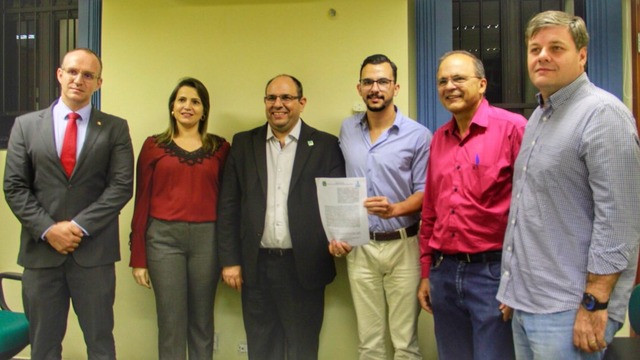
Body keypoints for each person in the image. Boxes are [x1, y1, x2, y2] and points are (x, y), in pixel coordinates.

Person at [496, 10, 640, 359]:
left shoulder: (602, 114)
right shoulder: (538, 118)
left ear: (582, 55)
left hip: (570, 309)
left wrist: (595, 304)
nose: (542, 56)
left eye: (556, 47)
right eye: (534, 49)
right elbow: (529, 215)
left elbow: (618, 221)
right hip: (527, 302)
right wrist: (511, 289)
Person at [3, 48, 134, 359]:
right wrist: (49, 229)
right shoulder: (25, 126)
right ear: (59, 74)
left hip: (94, 256)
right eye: (73, 72)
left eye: (88, 75)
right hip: (41, 255)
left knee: (100, 344)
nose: (79, 79)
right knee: (44, 347)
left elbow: (121, 187)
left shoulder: (115, 128)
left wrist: (77, 227)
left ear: (99, 83)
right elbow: (15, 187)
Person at [216, 74, 345, 360]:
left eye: (286, 98)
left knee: (303, 349)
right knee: (261, 349)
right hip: (255, 268)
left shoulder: (324, 145)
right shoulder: (243, 143)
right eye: (271, 98)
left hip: (304, 268)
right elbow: (228, 206)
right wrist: (230, 260)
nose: (278, 104)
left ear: (302, 103)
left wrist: (343, 237)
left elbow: (337, 202)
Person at [416, 50, 526, 360]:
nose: (449, 86)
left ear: (482, 84)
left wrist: (516, 280)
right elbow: (431, 211)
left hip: (492, 273)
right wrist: (426, 272)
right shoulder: (439, 138)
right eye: (442, 81)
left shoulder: (513, 129)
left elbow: (530, 210)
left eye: (458, 78)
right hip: (444, 272)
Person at [329, 54, 431, 360]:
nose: (376, 88)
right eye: (369, 82)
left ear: (395, 88)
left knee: (405, 344)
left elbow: (426, 192)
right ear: (359, 88)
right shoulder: (347, 129)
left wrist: (396, 209)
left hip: (404, 246)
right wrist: (337, 233)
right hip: (360, 248)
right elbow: (341, 188)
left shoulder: (418, 135)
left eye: (383, 81)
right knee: (369, 344)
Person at [129, 77, 230, 359]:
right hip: (163, 241)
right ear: (172, 107)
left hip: (207, 241)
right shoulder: (153, 146)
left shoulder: (220, 148)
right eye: (182, 100)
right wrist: (139, 258)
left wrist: (229, 254)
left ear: (204, 110)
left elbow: (229, 204)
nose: (188, 106)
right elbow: (141, 203)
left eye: (195, 101)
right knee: (170, 322)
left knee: (202, 321)